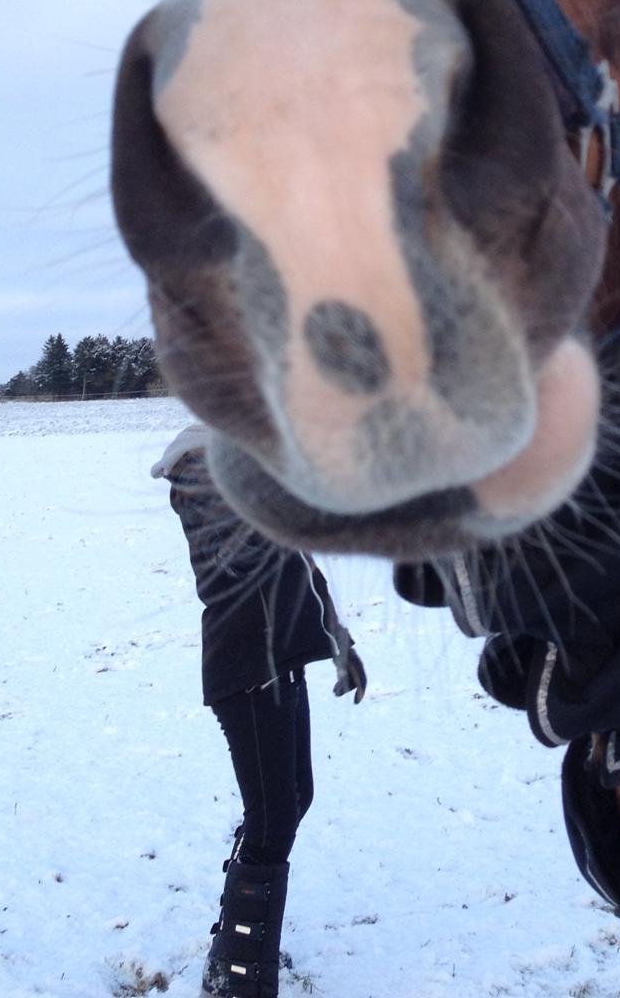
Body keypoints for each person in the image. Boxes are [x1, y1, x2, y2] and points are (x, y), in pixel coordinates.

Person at [153, 425, 366, 998]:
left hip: (281, 666)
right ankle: (238, 972)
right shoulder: (198, 477)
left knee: (294, 798)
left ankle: (243, 941)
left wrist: (339, 641)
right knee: (272, 817)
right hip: (245, 671)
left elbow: (302, 568)